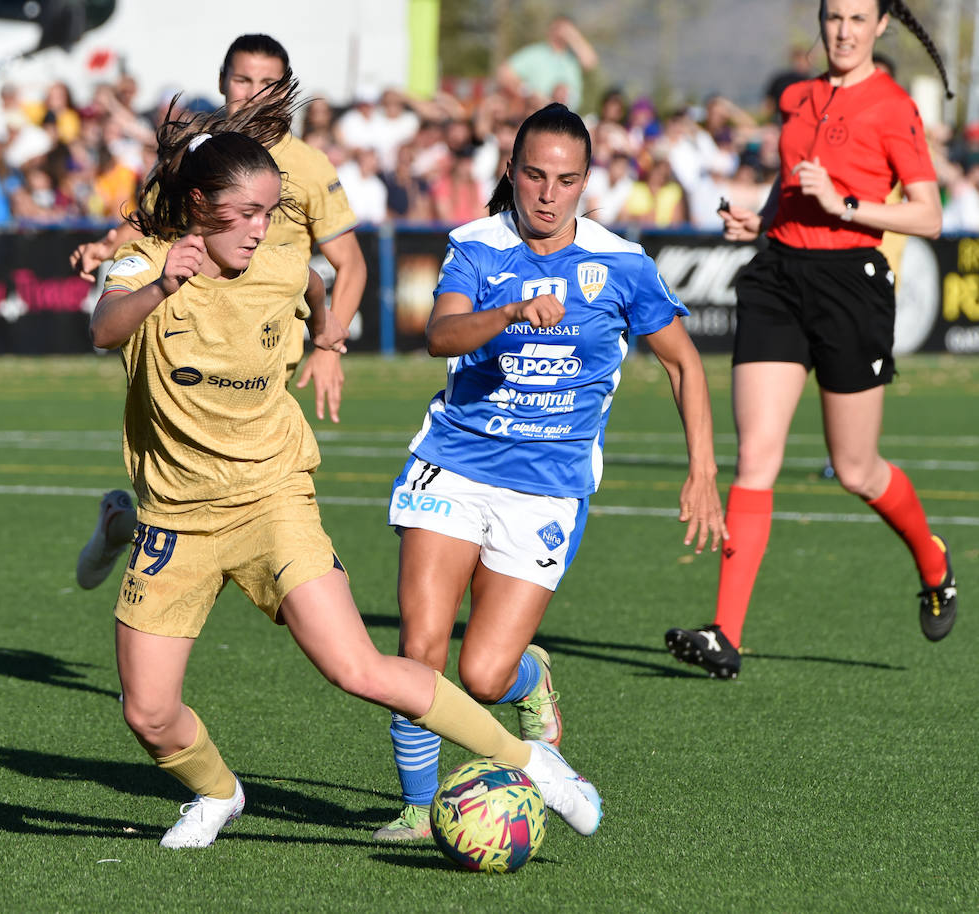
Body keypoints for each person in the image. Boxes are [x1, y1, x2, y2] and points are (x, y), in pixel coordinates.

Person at [90, 79, 602, 850]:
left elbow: (319, 281)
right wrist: (164, 284)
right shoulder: (145, 261)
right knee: (148, 713)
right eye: (249, 215)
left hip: (272, 500)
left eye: (271, 212)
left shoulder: (283, 264)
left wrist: (326, 346)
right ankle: (218, 793)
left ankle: (535, 763)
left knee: (358, 667)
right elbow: (103, 328)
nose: (264, 231)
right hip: (176, 515)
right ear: (199, 207)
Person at [369, 103, 724, 842]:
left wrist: (702, 472)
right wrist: (507, 315)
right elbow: (439, 333)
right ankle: (414, 808)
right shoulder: (475, 245)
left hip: (549, 485)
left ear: (587, 181)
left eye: (566, 179)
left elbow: (686, 364)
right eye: (534, 174)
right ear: (512, 171)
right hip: (454, 463)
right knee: (421, 650)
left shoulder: (622, 263)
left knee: (484, 678)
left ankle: (530, 678)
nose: (548, 193)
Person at [665, 0, 958, 680]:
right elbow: (791, 177)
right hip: (775, 275)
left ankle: (934, 564)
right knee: (757, 458)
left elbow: (930, 214)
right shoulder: (799, 95)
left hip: (851, 281)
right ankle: (724, 635)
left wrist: (846, 206)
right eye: (834, 16)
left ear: (882, 24)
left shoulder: (892, 106)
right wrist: (761, 220)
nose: (844, 30)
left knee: (855, 468)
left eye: (858, 18)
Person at [73, 33, 367, 590]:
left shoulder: (307, 167)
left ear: (284, 90)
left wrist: (327, 346)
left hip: (262, 349)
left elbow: (346, 265)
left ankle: (131, 536)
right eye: (241, 80)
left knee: (241, 505)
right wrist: (107, 245)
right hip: (187, 331)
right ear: (221, 82)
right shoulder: (199, 149)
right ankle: (143, 562)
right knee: (196, 495)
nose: (253, 94)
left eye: (267, 83)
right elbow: (154, 214)